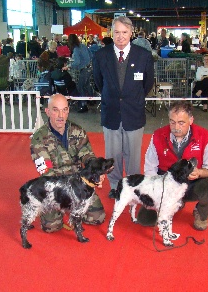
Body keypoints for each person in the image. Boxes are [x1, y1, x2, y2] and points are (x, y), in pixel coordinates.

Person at [92, 16, 154, 196]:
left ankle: (133, 186)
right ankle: (115, 186)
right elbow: (98, 82)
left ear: (131, 33)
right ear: (111, 32)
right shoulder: (100, 56)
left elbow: (147, 84)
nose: (120, 36)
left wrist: (131, 96)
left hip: (133, 113)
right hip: (110, 113)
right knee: (113, 155)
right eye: (117, 32)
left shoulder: (144, 56)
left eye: (124, 32)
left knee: (133, 155)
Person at [139, 101, 208, 230]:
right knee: (145, 220)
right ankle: (177, 203)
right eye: (172, 122)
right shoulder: (157, 136)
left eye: (181, 123)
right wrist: (155, 193)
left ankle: (201, 213)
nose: (176, 127)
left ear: (191, 120)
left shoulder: (205, 137)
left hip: (192, 184)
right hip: (165, 185)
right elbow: (150, 168)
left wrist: (200, 172)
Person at [29, 93, 106, 233]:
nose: (61, 115)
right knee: (51, 227)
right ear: (47, 111)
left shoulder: (77, 131)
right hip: (55, 188)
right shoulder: (39, 138)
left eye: (64, 110)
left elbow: (87, 156)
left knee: (97, 217)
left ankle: (72, 208)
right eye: (56, 110)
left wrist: (97, 172)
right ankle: (61, 208)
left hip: (78, 184)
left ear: (68, 111)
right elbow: (47, 173)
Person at [68, 33, 92, 113]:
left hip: (84, 69)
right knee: (87, 85)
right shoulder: (83, 46)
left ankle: (83, 105)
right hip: (89, 68)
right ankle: (91, 100)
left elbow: (77, 62)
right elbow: (91, 55)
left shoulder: (76, 49)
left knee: (80, 87)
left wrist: (69, 66)